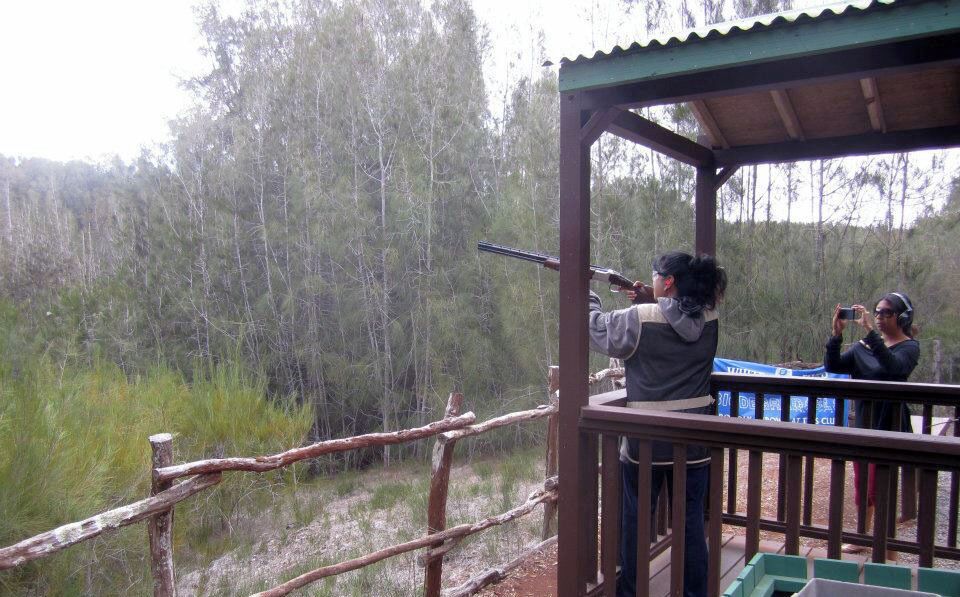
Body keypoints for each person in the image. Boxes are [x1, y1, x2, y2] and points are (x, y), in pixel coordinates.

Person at [587, 251, 727, 597]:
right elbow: (680, 316)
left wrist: (586, 291)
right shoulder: (710, 318)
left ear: (668, 282)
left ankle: (631, 592)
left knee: (635, 525)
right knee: (691, 524)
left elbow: (594, 328)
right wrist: (657, 299)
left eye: (654, 277)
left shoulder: (639, 317)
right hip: (694, 442)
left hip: (645, 444)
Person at [823, 292, 920, 554]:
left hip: (889, 427)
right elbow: (833, 366)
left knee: (881, 489)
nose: (879, 317)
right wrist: (836, 335)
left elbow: (893, 368)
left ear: (902, 317)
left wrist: (869, 332)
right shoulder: (863, 347)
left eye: (886, 312)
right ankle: (861, 537)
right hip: (864, 424)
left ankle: (888, 549)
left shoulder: (909, 348)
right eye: (876, 312)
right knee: (863, 486)